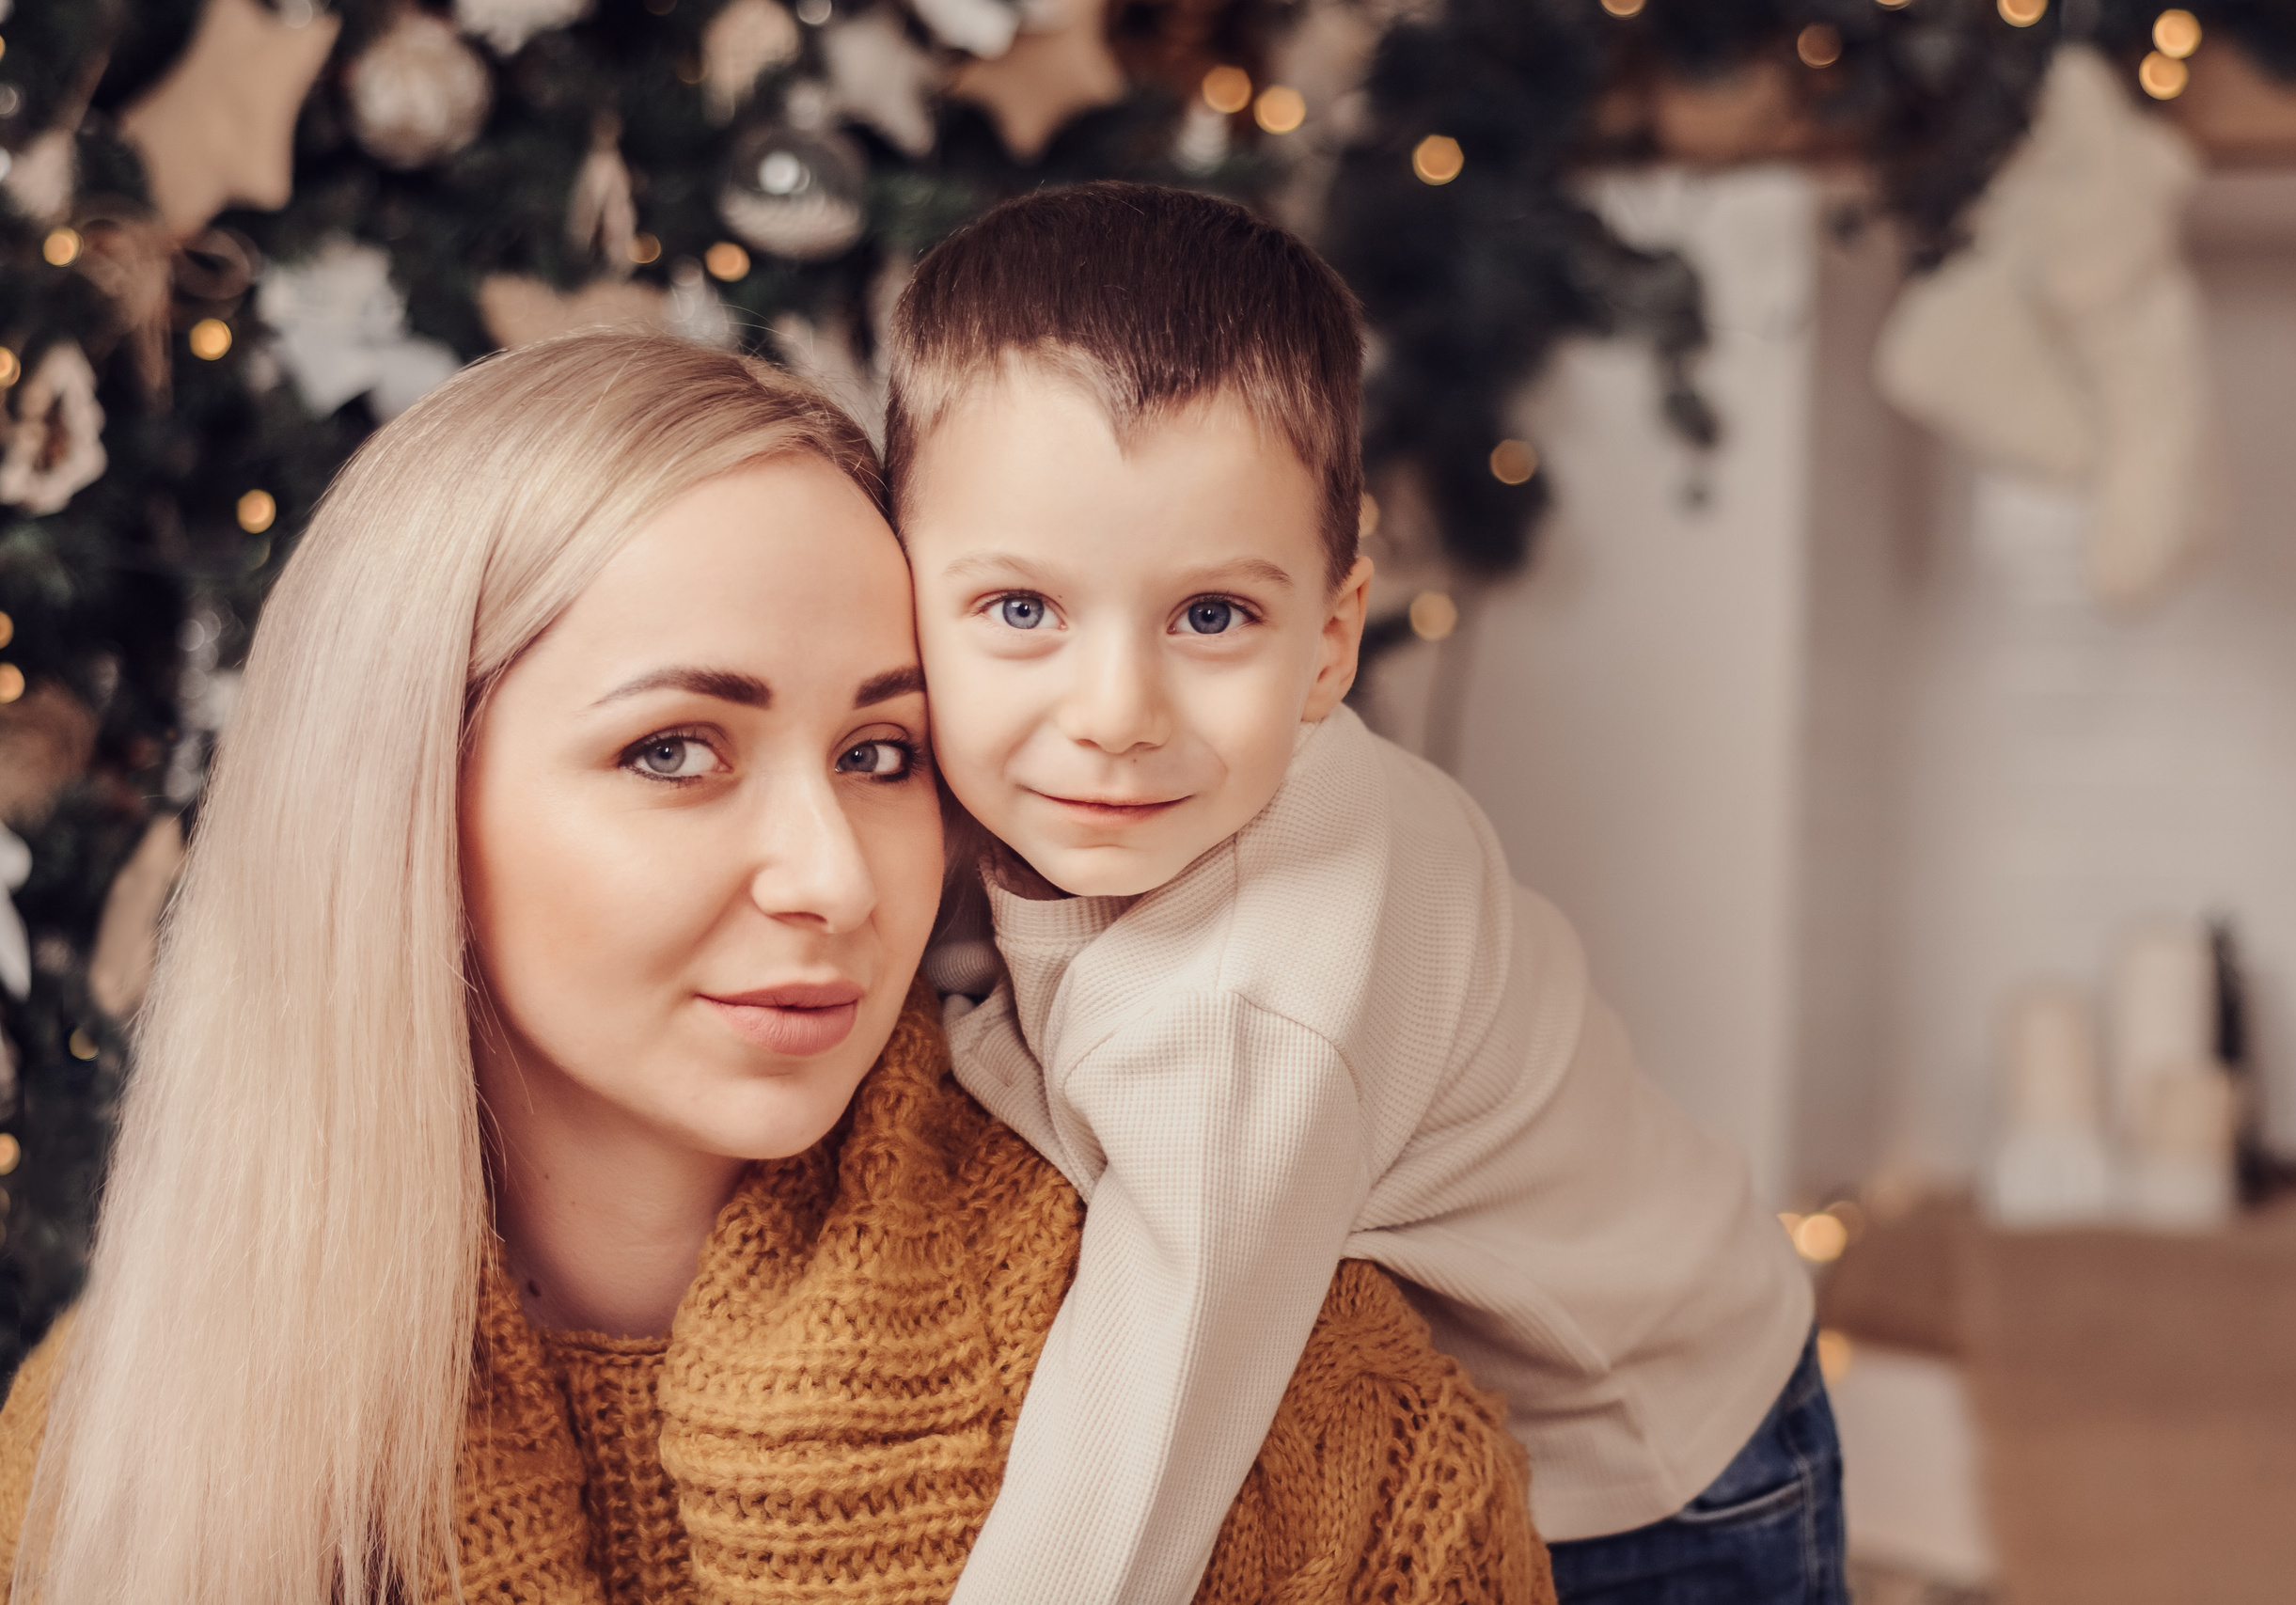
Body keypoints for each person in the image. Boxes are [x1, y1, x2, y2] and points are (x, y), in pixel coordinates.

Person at [0, 333, 1552, 1604]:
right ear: (402, 802)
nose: (833, 877)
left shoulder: (1296, 1422)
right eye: (677, 750)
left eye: (882, 751)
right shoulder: (118, 1433)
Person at [891, 182, 1841, 1605]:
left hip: (1654, 1466)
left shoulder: (1249, 999)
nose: (1112, 713)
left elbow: (1124, 1495)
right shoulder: (1001, 809)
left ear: (1331, 641)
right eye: (1020, 610)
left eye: (1211, 617)